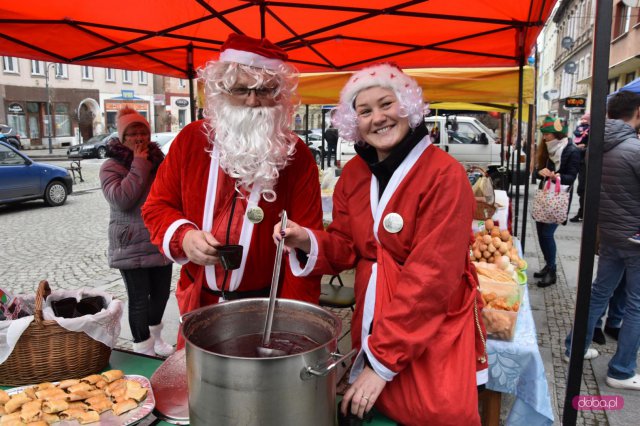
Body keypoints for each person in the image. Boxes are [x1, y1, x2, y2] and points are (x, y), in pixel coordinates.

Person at [273, 63, 487, 425]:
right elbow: (346, 245)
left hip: (428, 324)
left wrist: (382, 362)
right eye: (364, 111)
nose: (378, 118)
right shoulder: (354, 174)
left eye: (386, 104)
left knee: (433, 411)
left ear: (407, 106)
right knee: (377, 409)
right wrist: (306, 240)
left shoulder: (445, 174)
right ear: (352, 121)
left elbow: (431, 279)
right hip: (374, 320)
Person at [141, 34, 323, 348]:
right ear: (222, 91)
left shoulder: (298, 156)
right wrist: (184, 236)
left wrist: (292, 329)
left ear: (279, 94)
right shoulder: (190, 141)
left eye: (264, 90)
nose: (253, 101)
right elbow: (157, 207)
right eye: (241, 89)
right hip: (201, 305)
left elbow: (305, 240)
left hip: (269, 311)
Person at [565, 90, 640, 390]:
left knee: (598, 293)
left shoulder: (598, 144)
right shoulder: (634, 149)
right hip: (634, 237)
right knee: (636, 304)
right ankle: (621, 370)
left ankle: (576, 346)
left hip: (609, 233)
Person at [100, 108, 174, 357]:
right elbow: (122, 199)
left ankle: (155, 338)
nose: (139, 137)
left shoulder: (159, 160)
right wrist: (139, 163)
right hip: (130, 241)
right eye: (132, 133)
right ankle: (142, 347)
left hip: (158, 238)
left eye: (143, 131)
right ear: (122, 138)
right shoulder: (110, 166)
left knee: (162, 295)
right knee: (140, 298)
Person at [533, 116, 581, 288]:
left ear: (557, 134)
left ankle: (552, 270)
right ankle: (548, 265)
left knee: (547, 234)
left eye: (548, 134)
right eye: (544, 134)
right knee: (540, 232)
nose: (545, 137)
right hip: (545, 196)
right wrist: (541, 172)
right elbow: (537, 173)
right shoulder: (546, 149)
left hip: (559, 198)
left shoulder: (572, 151)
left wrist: (555, 176)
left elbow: (571, 177)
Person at [570, 112, 590, 222]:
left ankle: (583, 213)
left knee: (583, 189)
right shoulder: (582, 129)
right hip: (582, 162)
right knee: (581, 190)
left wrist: (583, 148)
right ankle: (582, 212)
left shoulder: (593, 130)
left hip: (586, 164)